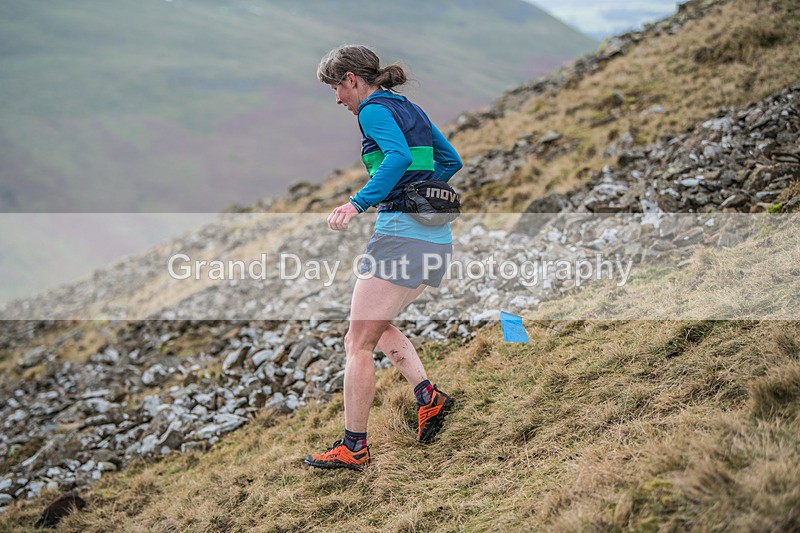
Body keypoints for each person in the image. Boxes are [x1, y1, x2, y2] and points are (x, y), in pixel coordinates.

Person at [304, 45, 463, 471]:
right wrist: (423, 193)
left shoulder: (372, 109)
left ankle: (353, 446)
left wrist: (358, 203)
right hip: (435, 237)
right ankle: (429, 398)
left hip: (399, 238)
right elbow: (450, 160)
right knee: (378, 323)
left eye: (336, 88)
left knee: (356, 343)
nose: (337, 99)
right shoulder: (407, 106)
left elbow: (397, 157)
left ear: (351, 79)